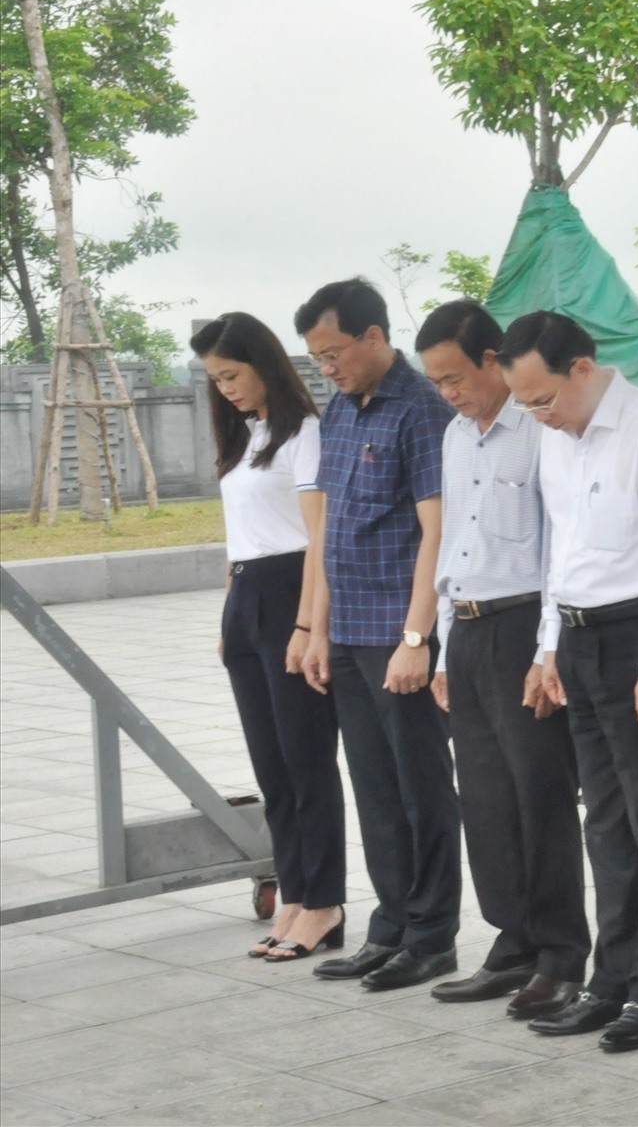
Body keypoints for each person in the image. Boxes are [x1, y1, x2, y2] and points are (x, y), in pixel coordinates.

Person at [500, 310, 638, 1054]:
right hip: (578, 642)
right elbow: (562, 553)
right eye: (523, 404)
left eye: (542, 399)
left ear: (582, 369)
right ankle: (609, 981)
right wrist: (548, 649)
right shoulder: (557, 440)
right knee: (606, 824)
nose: (536, 416)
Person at [414, 301, 588, 1022]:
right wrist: (443, 648)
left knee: (538, 795)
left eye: (456, 376)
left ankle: (560, 955)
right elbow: (454, 543)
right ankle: (510, 942)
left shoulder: (539, 431)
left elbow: (559, 547)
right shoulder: (456, 438)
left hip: (524, 628)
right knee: (483, 798)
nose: (449, 392)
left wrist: (549, 652)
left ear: (493, 361)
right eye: (436, 382)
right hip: (471, 627)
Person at [296, 278, 461, 992]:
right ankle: (390, 924)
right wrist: (318, 630)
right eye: (317, 358)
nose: (327, 367)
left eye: (335, 352)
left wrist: (416, 638)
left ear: (373, 336)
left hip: (400, 633)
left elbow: (436, 531)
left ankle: (432, 936)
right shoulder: (338, 410)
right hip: (351, 632)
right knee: (374, 787)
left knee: (422, 786)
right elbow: (329, 530)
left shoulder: (420, 410)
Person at [192, 312, 346, 963]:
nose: (224, 388)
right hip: (247, 598)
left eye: (231, 374)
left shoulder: (304, 433)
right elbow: (240, 536)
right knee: (271, 769)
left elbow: (319, 539)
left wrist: (310, 626)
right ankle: (293, 894)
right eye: (214, 379)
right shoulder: (243, 437)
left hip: (292, 596)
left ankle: (325, 903)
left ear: (264, 364)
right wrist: (231, 615)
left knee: (307, 761)